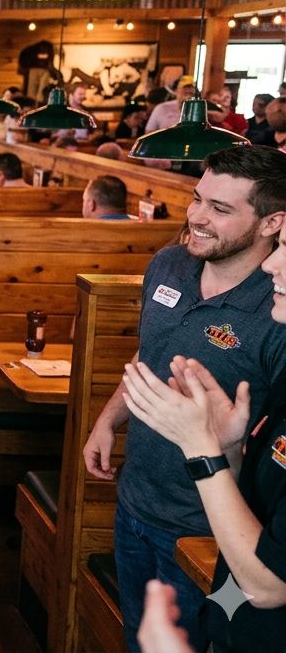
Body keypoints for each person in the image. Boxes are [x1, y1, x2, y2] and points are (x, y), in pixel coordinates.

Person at [81, 145, 286, 651]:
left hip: (208, 540)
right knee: (141, 641)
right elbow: (150, 355)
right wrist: (109, 419)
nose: (195, 216)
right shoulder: (169, 265)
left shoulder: (276, 311)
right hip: (133, 501)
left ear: (270, 223)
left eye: (219, 209)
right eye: (198, 199)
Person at [119, 225, 286, 652]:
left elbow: (269, 584)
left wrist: (201, 447)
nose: (271, 265)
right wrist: (229, 447)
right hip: (236, 616)